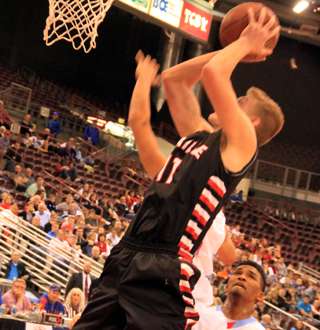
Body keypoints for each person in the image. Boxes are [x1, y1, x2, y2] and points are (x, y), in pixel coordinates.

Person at [72, 10, 283, 330]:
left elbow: (214, 74)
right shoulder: (201, 135)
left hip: (165, 267)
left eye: (240, 102)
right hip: (127, 252)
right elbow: (174, 79)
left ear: (249, 123)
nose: (232, 101)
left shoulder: (242, 144)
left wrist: (241, 46)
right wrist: (235, 46)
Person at [193, 261, 266, 330]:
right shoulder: (199, 316)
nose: (242, 277)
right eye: (237, 273)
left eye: (251, 277)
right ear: (226, 288)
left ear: (260, 296)